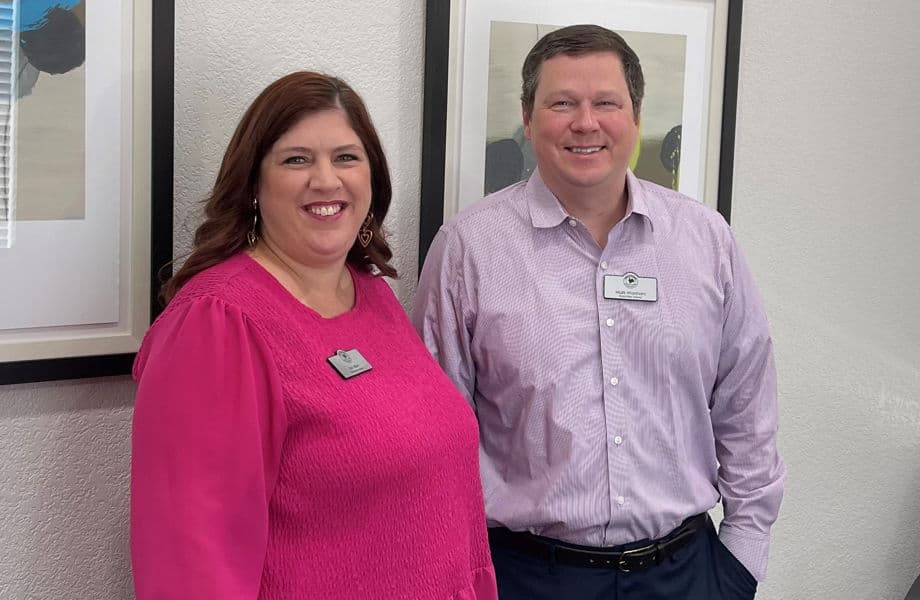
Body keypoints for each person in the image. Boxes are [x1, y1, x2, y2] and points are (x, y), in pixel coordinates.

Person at [413, 24, 784, 599]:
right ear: (528, 118)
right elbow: (435, 439)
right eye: (562, 103)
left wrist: (740, 564)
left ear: (634, 117)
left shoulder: (706, 240)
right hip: (527, 577)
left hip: (688, 574)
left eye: (606, 103)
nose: (585, 122)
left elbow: (746, 408)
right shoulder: (468, 249)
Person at [130, 71, 497, 600]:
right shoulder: (218, 321)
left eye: (346, 157)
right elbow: (191, 561)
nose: (326, 181)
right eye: (296, 159)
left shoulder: (371, 294)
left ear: (372, 178)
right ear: (253, 184)